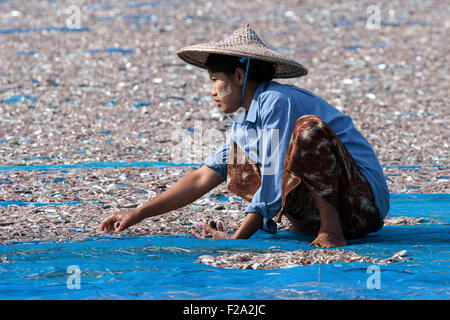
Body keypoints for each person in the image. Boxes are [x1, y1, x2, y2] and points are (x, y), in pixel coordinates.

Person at [99, 25, 390, 248]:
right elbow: (203, 177)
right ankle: (311, 226)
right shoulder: (243, 123)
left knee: (308, 130)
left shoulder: (277, 100)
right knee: (242, 160)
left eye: (215, 80)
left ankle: (331, 231)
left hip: (360, 206)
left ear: (239, 77)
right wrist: (138, 214)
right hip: (326, 210)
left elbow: (275, 174)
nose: (212, 90)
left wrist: (237, 239)